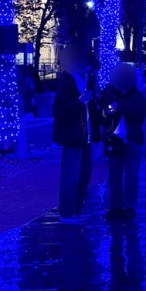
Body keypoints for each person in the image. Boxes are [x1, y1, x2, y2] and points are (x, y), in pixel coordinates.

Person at [52, 46, 101, 222]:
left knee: (84, 174)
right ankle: (67, 212)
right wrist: (79, 101)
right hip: (73, 136)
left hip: (85, 135)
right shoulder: (67, 82)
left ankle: (76, 209)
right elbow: (59, 110)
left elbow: (92, 110)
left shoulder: (84, 80)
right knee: (71, 175)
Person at [100, 62, 146, 220]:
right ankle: (115, 206)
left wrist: (119, 107)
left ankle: (129, 206)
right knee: (114, 176)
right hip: (114, 140)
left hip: (132, 139)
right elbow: (105, 114)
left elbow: (139, 111)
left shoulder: (137, 95)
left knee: (131, 174)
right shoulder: (110, 93)